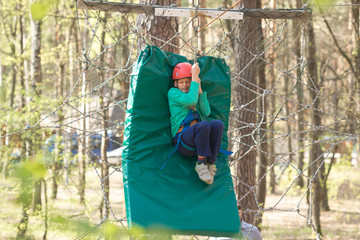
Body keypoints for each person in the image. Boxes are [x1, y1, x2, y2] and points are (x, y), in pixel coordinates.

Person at [168, 62, 225, 184]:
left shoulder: (193, 92)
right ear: (176, 83)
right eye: (181, 82)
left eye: (188, 81)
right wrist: (194, 76)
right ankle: (201, 163)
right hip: (183, 142)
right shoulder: (173, 93)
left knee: (217, 124)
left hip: (200, 143)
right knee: (204, 125)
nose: (185, 85)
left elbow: (206, 111)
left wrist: (199, 89)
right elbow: (191, 100)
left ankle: (210, 162)